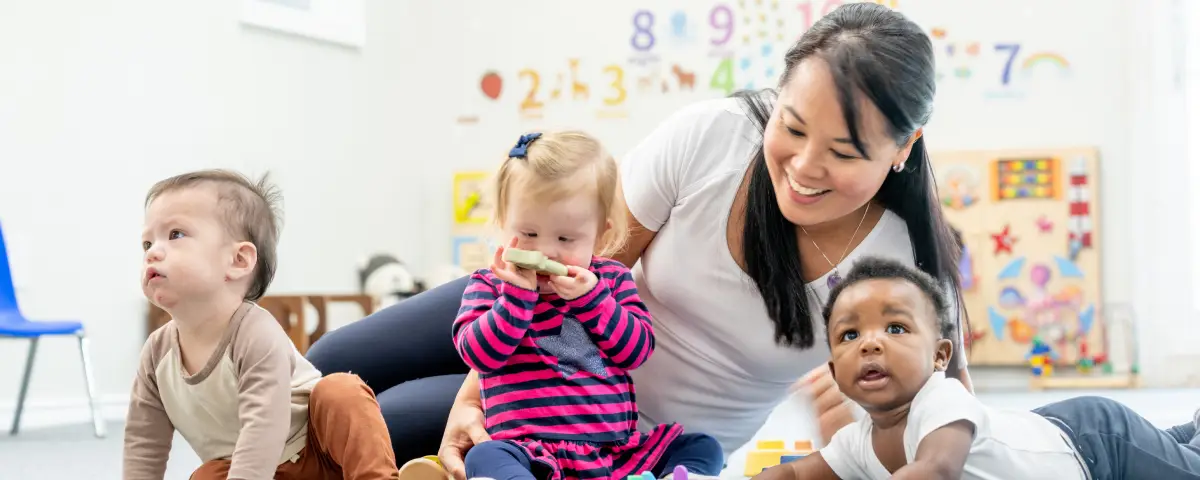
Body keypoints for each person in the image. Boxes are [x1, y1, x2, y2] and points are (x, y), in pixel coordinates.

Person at [305, 3, 972, 479]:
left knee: (374, 423)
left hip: (611, 433)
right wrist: (474, 395)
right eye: (793, 128)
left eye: (843, 151)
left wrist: (857, 440)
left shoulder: (903, 265)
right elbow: (596, 260)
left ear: (903, 149)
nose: (801, 168)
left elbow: (931, 430)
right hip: (543, 316)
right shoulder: (714, 136)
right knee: (330, 360)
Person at [425, 132, 723, 480]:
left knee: (702, 446)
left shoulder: (610, 281)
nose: (546, 251)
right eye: (529, 233)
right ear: (502, 223)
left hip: (614, 453)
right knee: (486, 457)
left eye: (565, 238)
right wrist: (515, 301)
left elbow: (637, 350)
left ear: (600, 236)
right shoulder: (490, 285)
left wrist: (593, 301)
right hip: (527, 451)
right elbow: (479, 355)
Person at [754, 256, 1200, 480]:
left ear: (940, 357)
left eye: (895, 327)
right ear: (834, 372)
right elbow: (796, 472)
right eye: (850, 335)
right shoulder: (858, 442)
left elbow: (935, 469)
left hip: (1097, 449)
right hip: (1045, 433)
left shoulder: (940, 401)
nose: (870, 343)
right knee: (1173, 445)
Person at [123, 170, 399, 479]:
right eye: (147, 243)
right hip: (247, 464)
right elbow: (143, 442)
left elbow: (264, 426)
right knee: (207, 475)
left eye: (175, 235)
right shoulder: (156, 355)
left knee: (341, 392)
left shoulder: (255, 333)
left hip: (320, 452)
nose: (153, 253)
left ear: (238, 260)